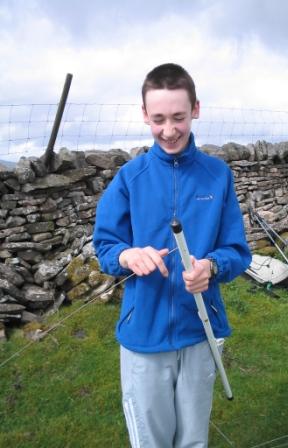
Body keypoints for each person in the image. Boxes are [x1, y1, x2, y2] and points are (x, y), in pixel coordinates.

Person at [93, 63, 251, 448]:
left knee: (193, 440)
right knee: (152, 441)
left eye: (179, 117)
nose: (169, 130)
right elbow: (105, 246)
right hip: (143, 336)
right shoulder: (129, 178)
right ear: (145, 115)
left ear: (196, 109)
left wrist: (212, 267)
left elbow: (237, 251)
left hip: (200, 331)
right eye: (158, 118)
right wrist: (129, 255)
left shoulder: (218, 175)